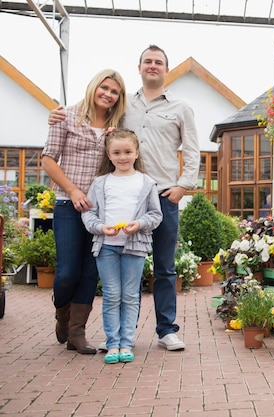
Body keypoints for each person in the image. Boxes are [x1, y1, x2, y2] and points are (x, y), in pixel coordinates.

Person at [50, 45, 200, 351]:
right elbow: (93, 116)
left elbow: (194, 150)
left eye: (159, 62)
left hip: (163, 194)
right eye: (148, 61)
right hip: (123, 198)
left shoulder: (181, 108)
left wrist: (184, 186)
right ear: (140, 67)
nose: (153, 66)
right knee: (117, 264)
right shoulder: (123, 106)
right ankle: (123, 332)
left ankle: (166, 329)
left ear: (166, 69)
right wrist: (57, 113)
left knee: (165, 267)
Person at [43, 69, 127, 354]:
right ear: (94, 87)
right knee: (67, 272)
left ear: (119, 98)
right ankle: (62, 315)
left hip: (101, 211)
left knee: (91, 272)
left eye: (114, 91)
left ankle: (77, 334)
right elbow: (48, 159)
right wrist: (74, 191)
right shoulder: (65, 116)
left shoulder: (117, 127)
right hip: (68, 204)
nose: (108, 94)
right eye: (104, 88)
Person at [82, 128, 162, 364]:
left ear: (136, 153)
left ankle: (126, 343)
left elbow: (155, 215)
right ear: (109, 155)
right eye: (117, 152)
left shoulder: (146, 182)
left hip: (135, 247)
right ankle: (112, 343)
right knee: (111, 295)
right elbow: (89, 214)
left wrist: (139, 224)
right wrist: (100, 228)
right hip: (106, 247)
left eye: (128, 151)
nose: (123, 157)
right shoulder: (100, 183)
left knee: (129, 295)